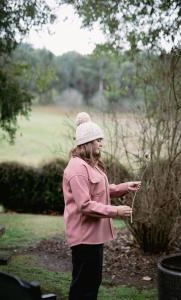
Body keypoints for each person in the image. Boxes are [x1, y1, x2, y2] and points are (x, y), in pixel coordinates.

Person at [62, 112, 141, 300]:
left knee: (91, 284)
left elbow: (100, 190)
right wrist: (116, 211)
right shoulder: (77, 169)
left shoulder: (90, 165)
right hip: (84, 238)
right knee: (84, 287)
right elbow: (85, 205)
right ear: (88, 142)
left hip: (93, 237)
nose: (101, 143)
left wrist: (124, 187)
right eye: (98, 140)